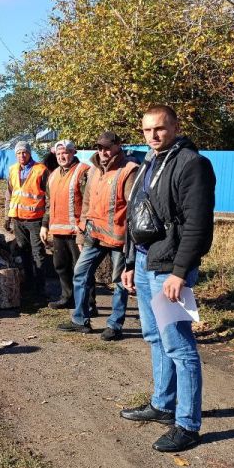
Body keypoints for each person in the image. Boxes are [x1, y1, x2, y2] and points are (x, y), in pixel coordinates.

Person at [119, 106, 215, 453]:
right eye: (147, 130)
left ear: (175, 127)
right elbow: (137, 216)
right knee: (154, 337)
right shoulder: (149, 162)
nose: (153, 135)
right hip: (145, 263)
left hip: (170, 268)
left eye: (160, 129)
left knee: (178, 344)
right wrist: (129, 262)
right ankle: (162, 404)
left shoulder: (192, 164)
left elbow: (198, 226)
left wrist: (179, 272)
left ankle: (188, 425)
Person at [63, 131, 138, 339]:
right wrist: (81, 233)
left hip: (119, 239)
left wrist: (131, 244)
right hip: (94, 235)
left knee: (120, 283)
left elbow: (134, 210)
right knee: (80, 273)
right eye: (99, 147)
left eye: (107, 147)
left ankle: (115, 325)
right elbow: (87, 203)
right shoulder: (94, 170)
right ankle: (80, 319)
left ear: (118, 146)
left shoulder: (129, 170)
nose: (103, 151)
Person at [40, 140, 95, 316]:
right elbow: (49, 203)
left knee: (83, 269)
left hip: (78, 232)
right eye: (59, 154)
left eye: (66, 153)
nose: (62, 157)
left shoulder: (83, 171)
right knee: (60, 265)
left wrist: (85, 227)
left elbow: (90, 202)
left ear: (73, 153)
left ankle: (89, 303)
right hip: (58, 230)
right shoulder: (54, 174)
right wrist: (44, 225)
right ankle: (67, 297)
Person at [4, 141, 50, 298]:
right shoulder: (12, 170)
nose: (21, 155)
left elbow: (49, 198)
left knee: (38, 253)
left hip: (35, 220)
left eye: (24, 152)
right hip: (18, 219)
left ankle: (40, 288)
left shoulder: (41, 170)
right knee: (23, 251)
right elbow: (9, 195)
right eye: (18, 153)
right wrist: (7, 216)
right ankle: (29, 285)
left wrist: (45, 222)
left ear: (29, 153)